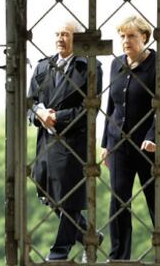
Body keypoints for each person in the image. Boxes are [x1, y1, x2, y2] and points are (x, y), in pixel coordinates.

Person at [100, 15, 160, 261]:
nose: (126, 41)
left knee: (158, 200)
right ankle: (119, 256)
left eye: (131, 36)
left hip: (149, 146)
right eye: (123, 36)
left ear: (144, 37)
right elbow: (111, 106)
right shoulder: (116, 65)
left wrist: (152, 137)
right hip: (119, 144)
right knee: (119, 202)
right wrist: (105, 144)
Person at [27, 20, 103, 260]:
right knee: (48, 193)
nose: (60, 38)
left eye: (66, 34)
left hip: (72, 142)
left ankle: (59, 252)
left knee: (68, 197)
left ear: (77, 39)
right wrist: (40, 115)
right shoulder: (42, 67)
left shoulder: (89, 66)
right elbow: (30, 102)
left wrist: (56, 117)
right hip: (46, 142)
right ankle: (88, 236)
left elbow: (90, 107)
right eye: (57, 34)